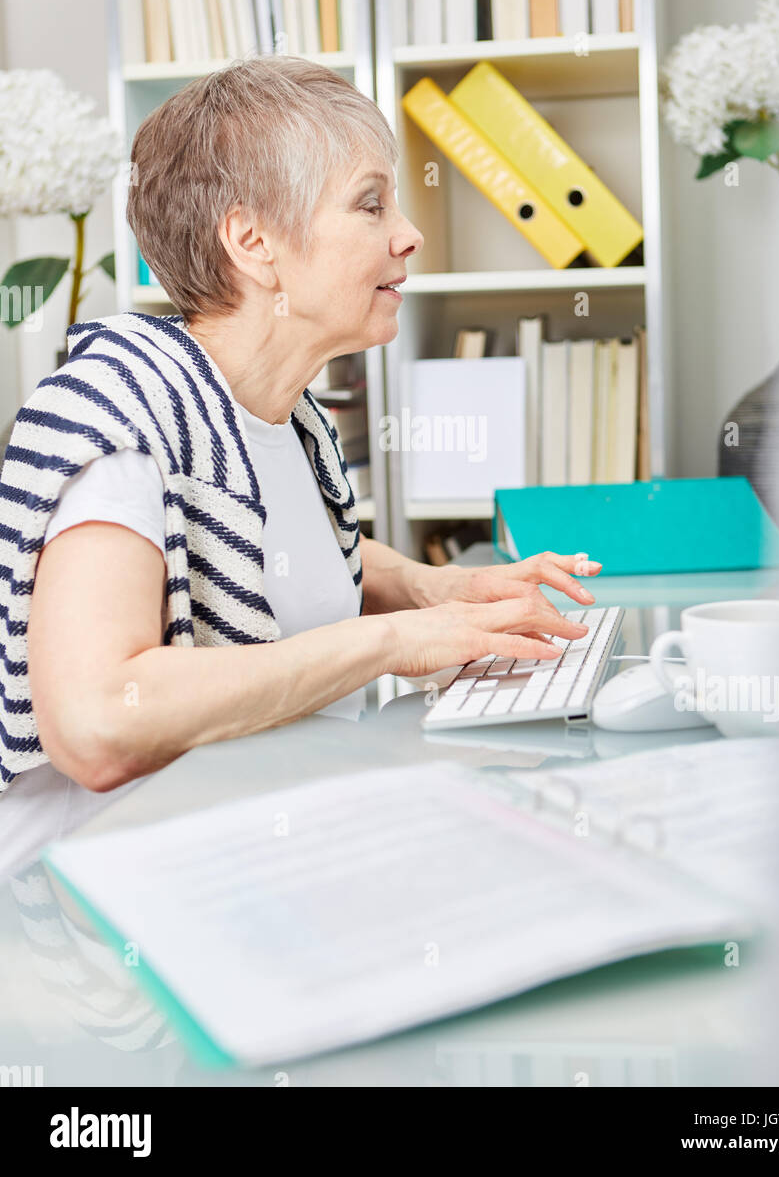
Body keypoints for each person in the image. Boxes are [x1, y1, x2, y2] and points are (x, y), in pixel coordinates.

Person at [0, 56, 600, 872]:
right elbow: (99, 723)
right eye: (369, 202)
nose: (408, 234)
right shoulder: (124, 415)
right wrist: (391, 640)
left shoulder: (282, 413)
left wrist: (431, 587)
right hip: (98, 911)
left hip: (240, 857)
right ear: (253, 243)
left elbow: (276, 550)